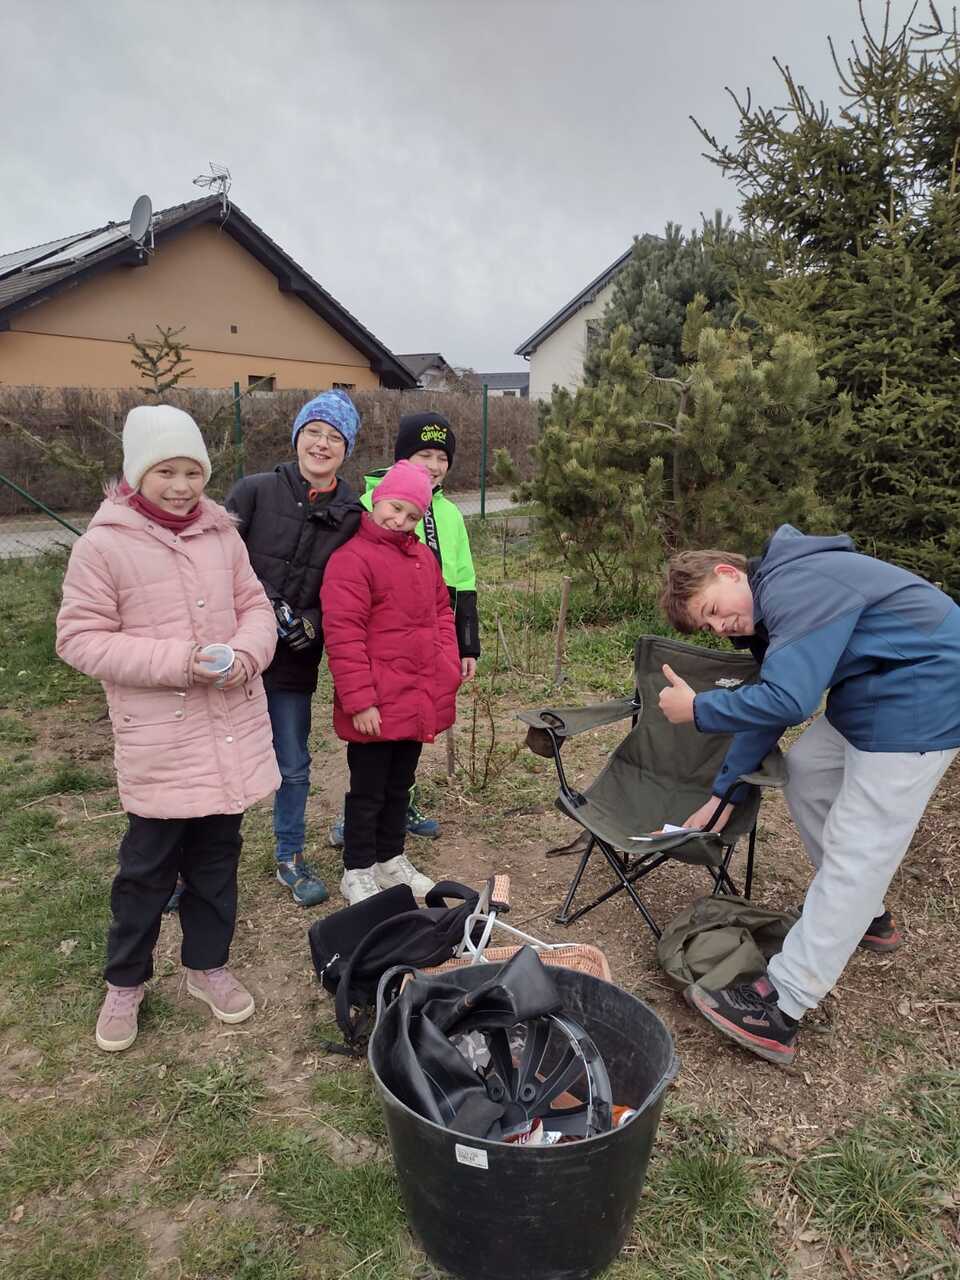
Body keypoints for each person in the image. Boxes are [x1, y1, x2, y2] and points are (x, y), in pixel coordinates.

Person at [657, 525, 960, 1066]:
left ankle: (782, 1003)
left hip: (927, 690)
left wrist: (698, 709)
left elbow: (789, 700)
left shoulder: (795, 585)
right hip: (875, 683)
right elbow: (767, 710)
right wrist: (723, 793)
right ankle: (865, 915)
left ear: (728, 573)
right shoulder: (769, 608)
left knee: (861, 846)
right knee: (808, 769)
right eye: (709, 625)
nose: (720, 626)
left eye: (713, 609)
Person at [56, 405, 281, 1053]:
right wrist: (179, 662)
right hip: (160, 741)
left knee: (216, 860)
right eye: (166, 472)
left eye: (193, 472)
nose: (182, 486)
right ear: (137, 473)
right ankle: (125, 981)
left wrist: (246, 655)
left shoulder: (222, 536)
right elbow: (79, 638)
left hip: (227, 732)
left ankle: (207, 967)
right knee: (146, 872)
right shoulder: (104, 545)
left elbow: (256, 608)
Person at [225, 390, 362, 906]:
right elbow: (217, 561)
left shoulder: (352, 514)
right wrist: (263, 604)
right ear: (297, 436)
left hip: (294, 659)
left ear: (346, 449)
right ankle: (196, 867)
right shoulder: (254, 491)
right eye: (313, 432)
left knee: (293, 762)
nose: (321, 444)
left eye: (334, 437)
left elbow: (351, 586)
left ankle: (290, 856)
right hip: (236, 653)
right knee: (220, 760)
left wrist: (314, 623)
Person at [328, 410, 479, 847]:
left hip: (429, 645)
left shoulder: (449, 514)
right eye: (423, 455)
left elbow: (463, 580)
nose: (434, 465)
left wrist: (465, 646)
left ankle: (401, 811)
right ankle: (357, 825)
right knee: (372, 759)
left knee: (408, 741)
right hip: (381, 654)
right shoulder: (368, 506)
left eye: (442, 458)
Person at [320, 459, 462, 905]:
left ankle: (390, 858)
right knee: (368, 791)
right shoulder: (351, 559)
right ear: (377, 500)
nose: (400, 520)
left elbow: (441, 612)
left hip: (415, 695)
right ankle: (358, 870)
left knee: (401, 784)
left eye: (412, 515)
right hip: (376, 702)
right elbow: (343, 635)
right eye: (395, 508)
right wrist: (360, 701)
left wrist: (446, 661)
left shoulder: (423, 558)